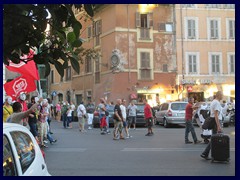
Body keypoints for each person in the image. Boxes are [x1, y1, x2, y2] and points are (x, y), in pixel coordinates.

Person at [201, 91, 223, 160]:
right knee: (218, 138)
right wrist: (218, 126)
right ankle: (217, 155)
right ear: (219, 95)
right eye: (222, 95)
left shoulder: (214, 102)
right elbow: (216, 115)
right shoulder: (216, 102)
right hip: (217, 122)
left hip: (215, 122)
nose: (222, 96)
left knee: (214, 138)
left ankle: (206, 153)